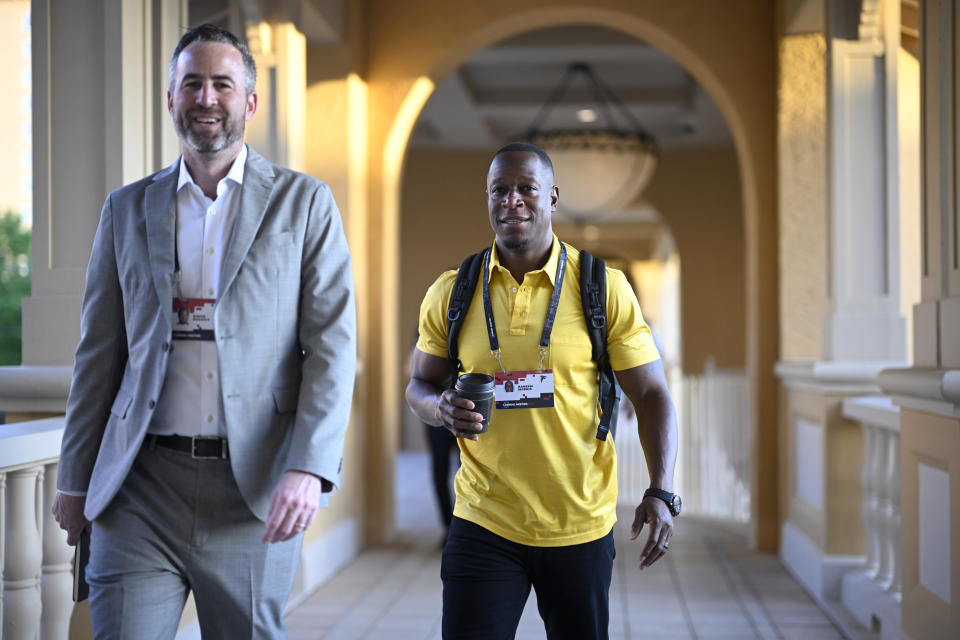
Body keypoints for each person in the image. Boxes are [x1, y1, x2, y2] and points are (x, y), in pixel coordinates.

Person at [51, 24, 356, 639]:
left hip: (253, 489)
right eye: (192, 83)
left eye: (222, 83)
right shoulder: (126, 209)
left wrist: (309, 465)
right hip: (139, 486)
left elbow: (331, 345)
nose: (206, 98)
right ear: (171, 99)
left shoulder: (304, 203)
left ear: (249, 102)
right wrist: (75, 476)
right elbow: (99, 355)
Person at [406, 142, 679, 639]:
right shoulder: (453, 291)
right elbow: (419, 384)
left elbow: (653, 394)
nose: (512, 200)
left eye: (526, 188)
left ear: (552, 197)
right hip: (484, 518)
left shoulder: (603, 287)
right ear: (487, 199)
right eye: (499, 190)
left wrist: (661, 490)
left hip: (579, 522)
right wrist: (438, 407)